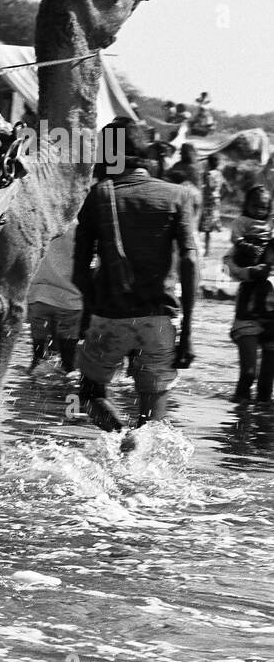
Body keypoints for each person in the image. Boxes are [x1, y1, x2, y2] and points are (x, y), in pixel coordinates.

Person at [73, 118, 198, 431]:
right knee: (152, 419)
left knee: (89, 395)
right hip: (159, 320)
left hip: (108, 316)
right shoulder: (177, 196)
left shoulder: (96, 196)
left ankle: (119, 435)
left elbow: (80, 271)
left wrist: (87, 315)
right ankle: (137, 450)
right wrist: (188, 333)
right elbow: (191, 262)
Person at [223, 189, 274, 402]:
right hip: (247, 314)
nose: (259, 211)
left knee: (266, 384)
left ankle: (259, 429)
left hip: (273, 317)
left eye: (264, 207)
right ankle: (239, 424)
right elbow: (227, 266)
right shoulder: (243, 242)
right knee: (248, 374)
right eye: (255, 206)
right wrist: (250, 272)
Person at [26, 222, 82, 373]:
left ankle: (32, 386)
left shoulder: (46, 221)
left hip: (38, 296)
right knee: (68, 367)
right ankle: (62, 392)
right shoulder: (82, 227)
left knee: (37, 361)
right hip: (69, 300)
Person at [199, 154, 225, 254]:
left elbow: (209, 187)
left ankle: (207, 251)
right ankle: (207, 249)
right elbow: (227, 188)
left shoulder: (208, 174)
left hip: (208, 202)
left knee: (207, 228)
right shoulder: (219, 174)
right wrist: (219, 197)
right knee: (209, 228)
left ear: (208, 163)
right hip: (216, 201)